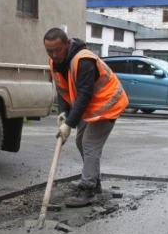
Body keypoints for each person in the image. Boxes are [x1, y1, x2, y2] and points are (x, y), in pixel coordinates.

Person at [43, 28, 129, 207]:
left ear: (67, 44)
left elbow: (84, 95)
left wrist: (69, 124)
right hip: (90, 108)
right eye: (49, 51)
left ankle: (88, 190)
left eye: (57, 50)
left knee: (90, 143)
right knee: (81, 141)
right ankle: (93, 182)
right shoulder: (56, 63)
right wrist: (63, 112)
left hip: (108, 104)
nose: (54, 54)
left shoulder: (84, 60)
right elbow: (62, 89)